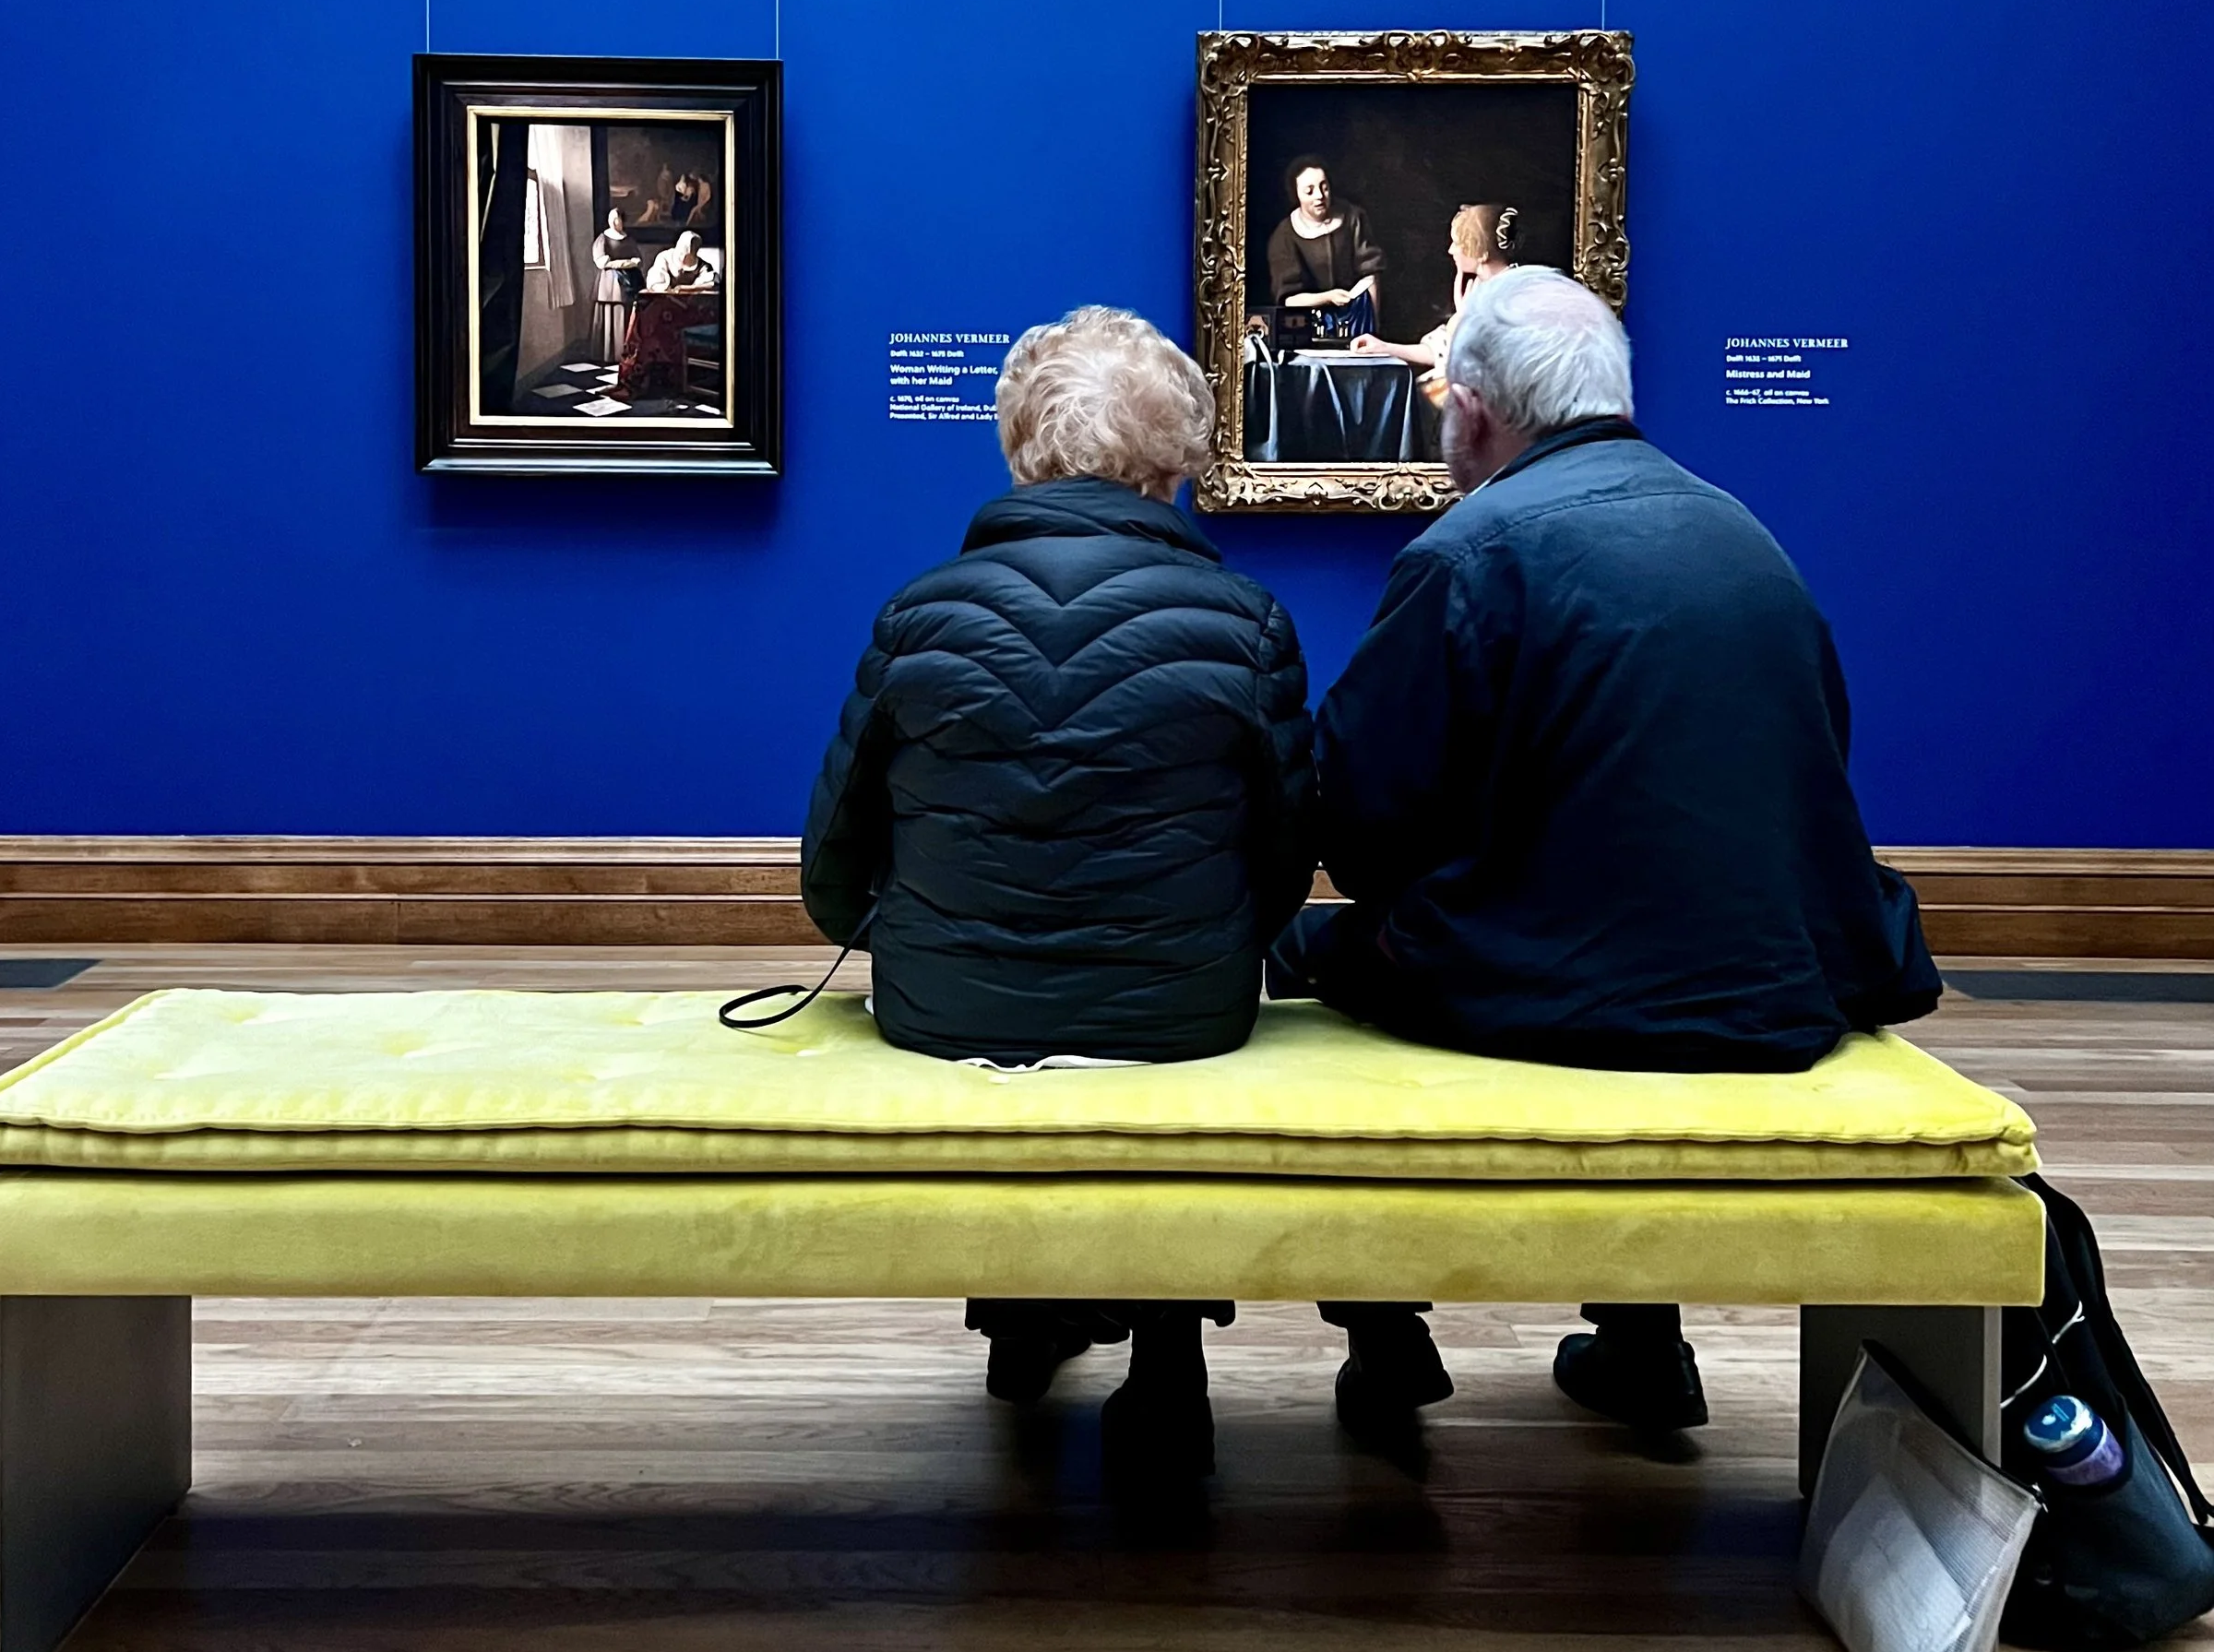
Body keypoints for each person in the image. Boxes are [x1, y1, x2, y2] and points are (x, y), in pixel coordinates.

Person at [1271, 265, 1941, 1437]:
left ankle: (1382, 1324)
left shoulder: (1465, 551)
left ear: (1473, 409)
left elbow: (1359, 820)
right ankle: (1641, 1336)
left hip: (1556, 998)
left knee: (1304, 950)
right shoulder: (1745, 536)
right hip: (1773, 996)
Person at [801, 305, 1317, 1483]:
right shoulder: (1245, 622)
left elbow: (830, 868)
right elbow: (1290, 857)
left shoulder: (920, 611)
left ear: (1019, 451)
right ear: (1171, 468)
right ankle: (1169, 1351)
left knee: (1026, 1037)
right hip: (1177, 1011)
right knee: (1140, 1053)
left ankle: (1022, 1318)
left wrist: (907, 931)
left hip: (947, 1010)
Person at [1352, 201, 1519, 378]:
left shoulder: (1512, 295)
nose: (1451, 250)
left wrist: (1464, 322)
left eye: (1458, 243)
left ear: (1482, 253)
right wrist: (1384, 347)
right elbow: (1442, 350)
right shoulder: (1477, 286)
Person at [1265, 160, 1383, 341]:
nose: (1319, 196)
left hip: (1356, 320)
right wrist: (1328, 297)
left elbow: (1371, 275)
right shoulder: (1284, 235)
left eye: (1324, 187)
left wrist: (1372, 331)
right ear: (1296, 194)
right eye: (1309, 191)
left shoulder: (1353, 218)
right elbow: (1288, 300)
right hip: (1308, 328)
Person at [590, 209, 643, 363]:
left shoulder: (629, 240)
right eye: (611, 219)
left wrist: (622, 263)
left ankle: (627, 352)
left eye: (617, 219)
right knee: (610, 314)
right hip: (610, 282)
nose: (614, 222)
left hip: (631, 280)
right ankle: (609, 354)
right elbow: (602, 262)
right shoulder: (603, 239)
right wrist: (626, 262)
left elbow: (638, 260)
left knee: (628, 313)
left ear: (623, 221)